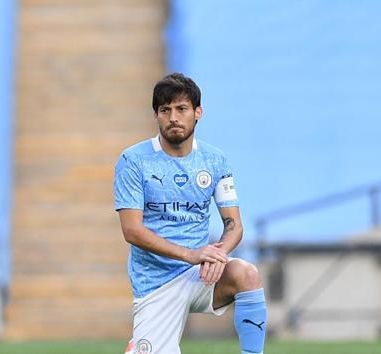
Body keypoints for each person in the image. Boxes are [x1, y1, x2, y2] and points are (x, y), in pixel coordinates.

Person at [114, 73, 267, 354]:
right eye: (165, 110)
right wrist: (191, 254)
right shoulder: (133, 161)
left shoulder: (214, 160)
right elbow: (132, 231)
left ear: (198, 113)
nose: (173, 117)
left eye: (181, 109)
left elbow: (234, 224)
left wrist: (218, 255)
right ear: (156, 115)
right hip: (157, 281)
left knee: (247, 274)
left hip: (202, 275)